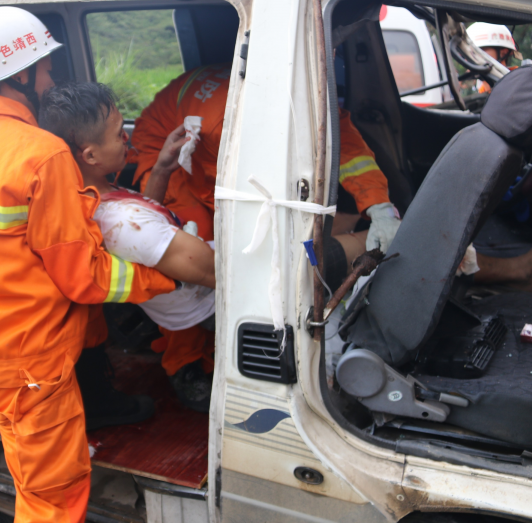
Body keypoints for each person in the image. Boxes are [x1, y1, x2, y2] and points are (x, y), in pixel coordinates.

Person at [0, 6, 176, 523]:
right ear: (20, 75)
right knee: (54, 494)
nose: (50, 79)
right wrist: (166, 278)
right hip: (24, 359)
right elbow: (83, 278)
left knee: (30, 460)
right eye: (45, 69)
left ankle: (99, 400)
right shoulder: (43, 154)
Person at [130, 64, 401, 386]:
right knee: (191, 251)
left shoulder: (311, 99)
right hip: (167, 144)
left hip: (207, 136)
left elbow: (351, 152)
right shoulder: (228, 125)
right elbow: (219, 193)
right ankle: (185, 363)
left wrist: (379, 205)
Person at [40, 82, 217, 411]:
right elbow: (218, 273)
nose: (127, 138)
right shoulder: (120, 220)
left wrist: (162, 168)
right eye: (120, 133)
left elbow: (144, 220)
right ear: (90, 155)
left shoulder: (92, 195)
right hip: (205, 308)